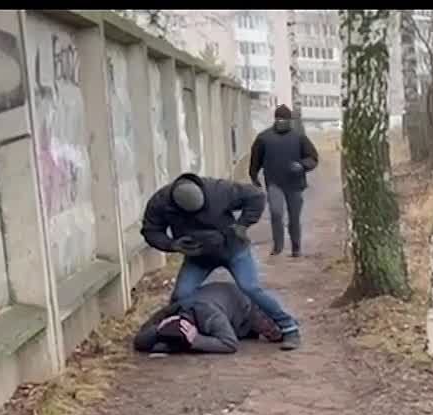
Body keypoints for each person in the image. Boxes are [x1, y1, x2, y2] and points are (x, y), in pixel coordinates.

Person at [141, 171, 302, 350]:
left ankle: (289, 327)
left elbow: (256, 196)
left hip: (233, 250)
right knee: (181, 296)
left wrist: (242, 225)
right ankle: (173, 335)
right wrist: (172, 244)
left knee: (250, 287)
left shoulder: (219, 190)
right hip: (199, 256)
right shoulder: (160, 203)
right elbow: (150, 230)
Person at [133, 281, 283, 354]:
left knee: (273, 330)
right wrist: (159, 329)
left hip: (242, 303)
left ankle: (289, 326)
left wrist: (196, 339)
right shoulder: (175, 308)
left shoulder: (211, 317)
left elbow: (230, 344)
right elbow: (139, 340)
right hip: (214, 298)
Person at [249, 104, 320, 258]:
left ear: (290, 121)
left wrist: (302, 165)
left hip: (295, 184)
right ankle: (278, 246)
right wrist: (253, 176)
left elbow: (313, 157)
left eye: (284, 119)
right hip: (274, 182)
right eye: (279, 119)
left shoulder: (299, 137)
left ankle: (296, 247)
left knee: (294, 217)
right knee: (276, 213)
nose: (281, 122)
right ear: (275, 119)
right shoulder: (264, 138)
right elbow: (255, 159)